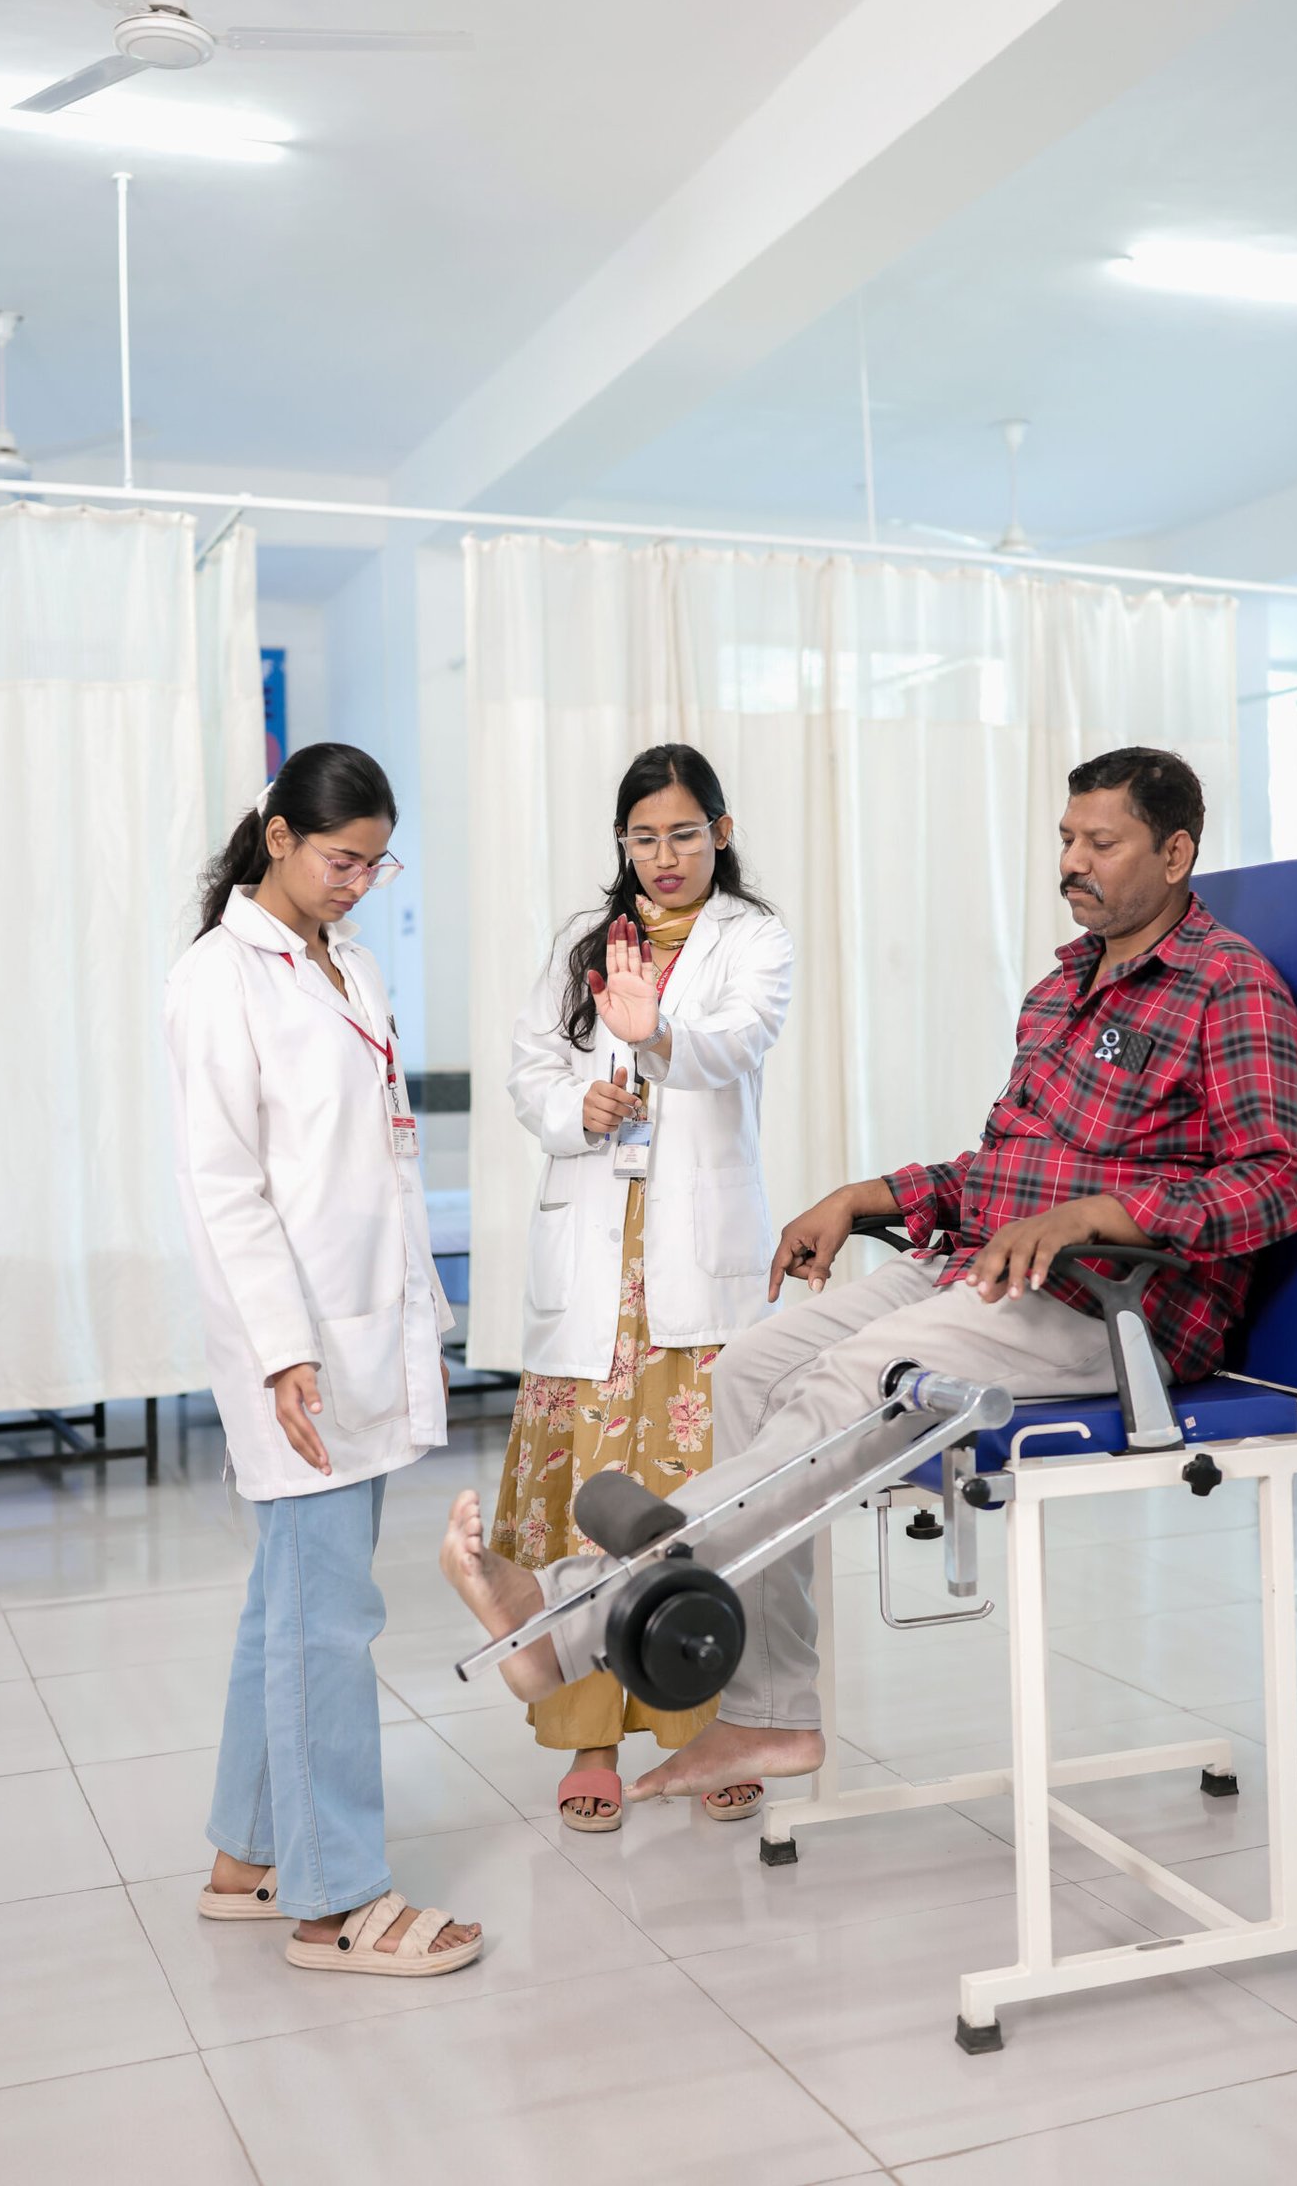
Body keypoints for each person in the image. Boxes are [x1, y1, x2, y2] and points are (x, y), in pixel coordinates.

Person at [441, 746, 1297, 1805]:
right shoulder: (1059, 989)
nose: (1071, 863)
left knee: (847, 1384)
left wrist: (1100, 1214)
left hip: (1110, 1301)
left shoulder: (1228, 987)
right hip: (985, 1269)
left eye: (1101, 843)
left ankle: (567, 1618)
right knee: (752, 1367)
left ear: (1175, 853)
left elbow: (1274, 1185)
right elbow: (999, 1169)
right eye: (1065, 840)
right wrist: (867, 1196)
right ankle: (768, 1717)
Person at [166, 744, 481, 1977]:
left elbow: (375, 1159)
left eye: (374, 862)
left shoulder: (342, 965)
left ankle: (247, 1854)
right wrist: (283, 1353)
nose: (359, 882)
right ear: (279, 835)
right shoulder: (216, 979)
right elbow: (225, 1187)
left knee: (285, 1608)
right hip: (295, 1346)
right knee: (326, 1620)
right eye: (341, 858)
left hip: (361, 1324)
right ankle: (338, 1897)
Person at [490, 743, 793, 1831]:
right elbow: (530, 1068)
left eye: (682, 832)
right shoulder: (583, 944)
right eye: (642, 837)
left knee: (693, 1506)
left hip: (689, 1267)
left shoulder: (752, 940)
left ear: (719, 827)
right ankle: (588, 1735)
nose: (663, 857)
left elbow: (734, 1044)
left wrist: (650, 1037)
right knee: (585, 1501)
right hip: (592, 1264)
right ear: (621, 842)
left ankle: (705, 1724)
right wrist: (583, 1108)